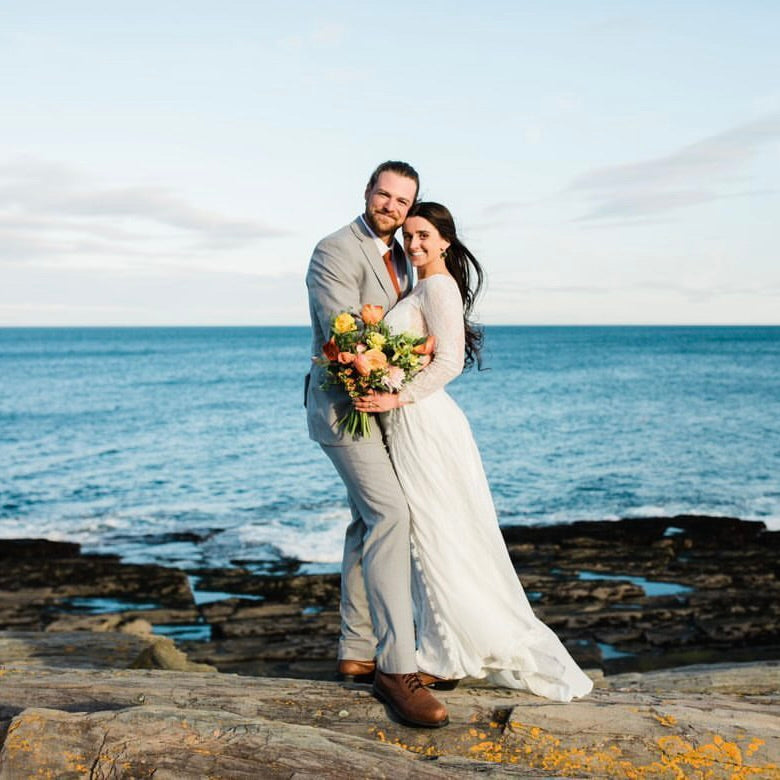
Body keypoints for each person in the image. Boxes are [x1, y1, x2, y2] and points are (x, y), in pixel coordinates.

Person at [354, 202, 593, 701]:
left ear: (445, 240)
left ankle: (445, 656)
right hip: (408, 421)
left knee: (435, 530)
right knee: (428, 532)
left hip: (424, 424)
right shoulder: (419, 287)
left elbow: (450, 362)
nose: (414, 244)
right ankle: (443, 647)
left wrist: (396, 396)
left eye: (424, 235)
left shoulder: (439, 287)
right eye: (408, 236)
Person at [305, 162, 450, 727]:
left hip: (383, 407)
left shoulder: (405, 256)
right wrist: (415, 357)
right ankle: (396, 667)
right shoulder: (334, 250)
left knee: (366, 521)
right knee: (391, 514)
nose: (390, 206)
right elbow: (346, 330)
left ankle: (356, 649)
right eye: (383, 195)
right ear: (367, 192)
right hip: (344, 408)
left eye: (401, 200)